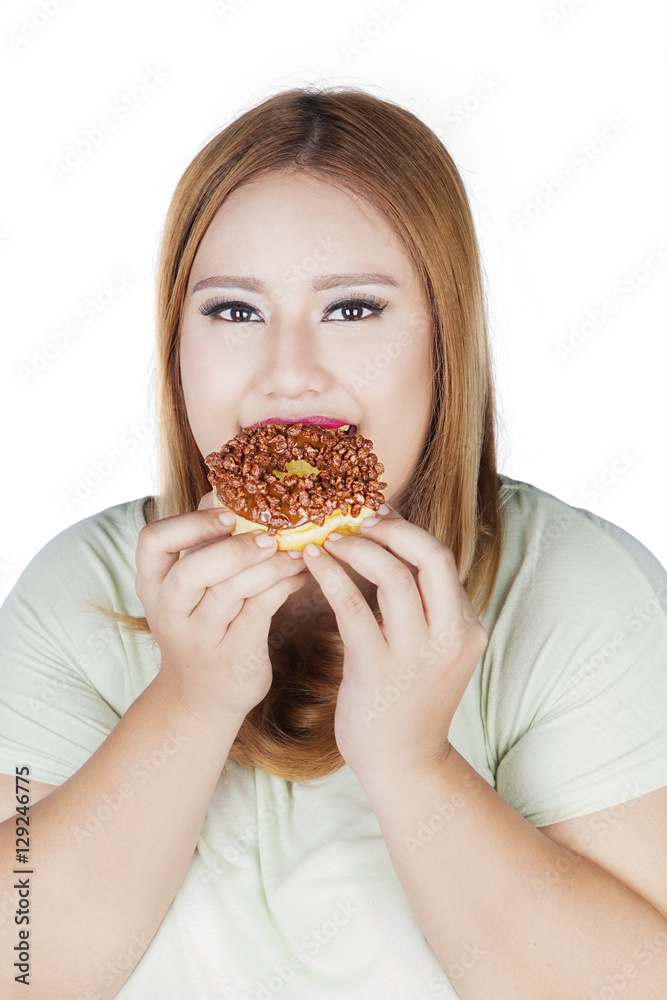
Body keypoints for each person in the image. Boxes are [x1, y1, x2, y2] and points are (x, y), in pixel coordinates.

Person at [1, 86, 666, 1000]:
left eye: (353, 309)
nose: (288, 374)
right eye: (233, 312)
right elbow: (23, 966)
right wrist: (189, 706)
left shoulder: (580, 590)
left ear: (445, 337)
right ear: (174, 344)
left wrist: (411, 762)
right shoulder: (80, 586)